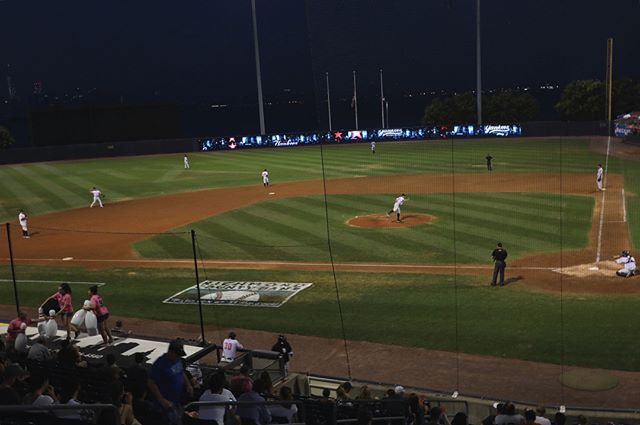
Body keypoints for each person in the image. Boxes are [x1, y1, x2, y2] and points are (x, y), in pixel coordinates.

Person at [148, 339, 192, 425]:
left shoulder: (177, 360)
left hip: (177, 401)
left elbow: (181, 372)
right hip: (166, 405)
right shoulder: (160, 364)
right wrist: (162, 400)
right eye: (177, 354)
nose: (179, 357)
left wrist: (188, 384)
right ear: (171, 352)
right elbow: (151, 382)